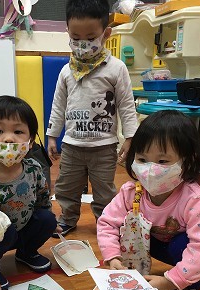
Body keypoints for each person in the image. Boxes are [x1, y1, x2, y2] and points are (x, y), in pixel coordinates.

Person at [97, 110, 200, 290]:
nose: (149, 169)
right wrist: (112, 257)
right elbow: (107, 223)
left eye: (163, 161)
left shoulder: (195, 200)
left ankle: (190, 285)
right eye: (142, 159)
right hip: (150, 243)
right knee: (124, 226)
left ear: (187, 161)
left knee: (185, 244)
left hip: (179, 247)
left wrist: (171, 281)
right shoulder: (131, 192)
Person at [46, 0, 139, 237]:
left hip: (103, 147)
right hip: (72, 145)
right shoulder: (66, 71)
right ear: (68, 32)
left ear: (106, 34)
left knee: (104, 191)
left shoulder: (116, 68)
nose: (82, 44)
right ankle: (68, 218)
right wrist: (52, 136)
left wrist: (130, 138)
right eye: (75, 38)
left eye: (90, 37)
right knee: (67, 187)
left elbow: (126, 105)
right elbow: (58, 105)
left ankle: (105, 222)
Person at [0, 96, 61, 290]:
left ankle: (26, 253)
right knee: (4, 230)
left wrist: (49, 222)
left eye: (18, 132)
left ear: (30, 140)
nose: (8, 139)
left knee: (47, 219)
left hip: (22, 228)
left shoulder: (34, 169)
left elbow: (43, 199)